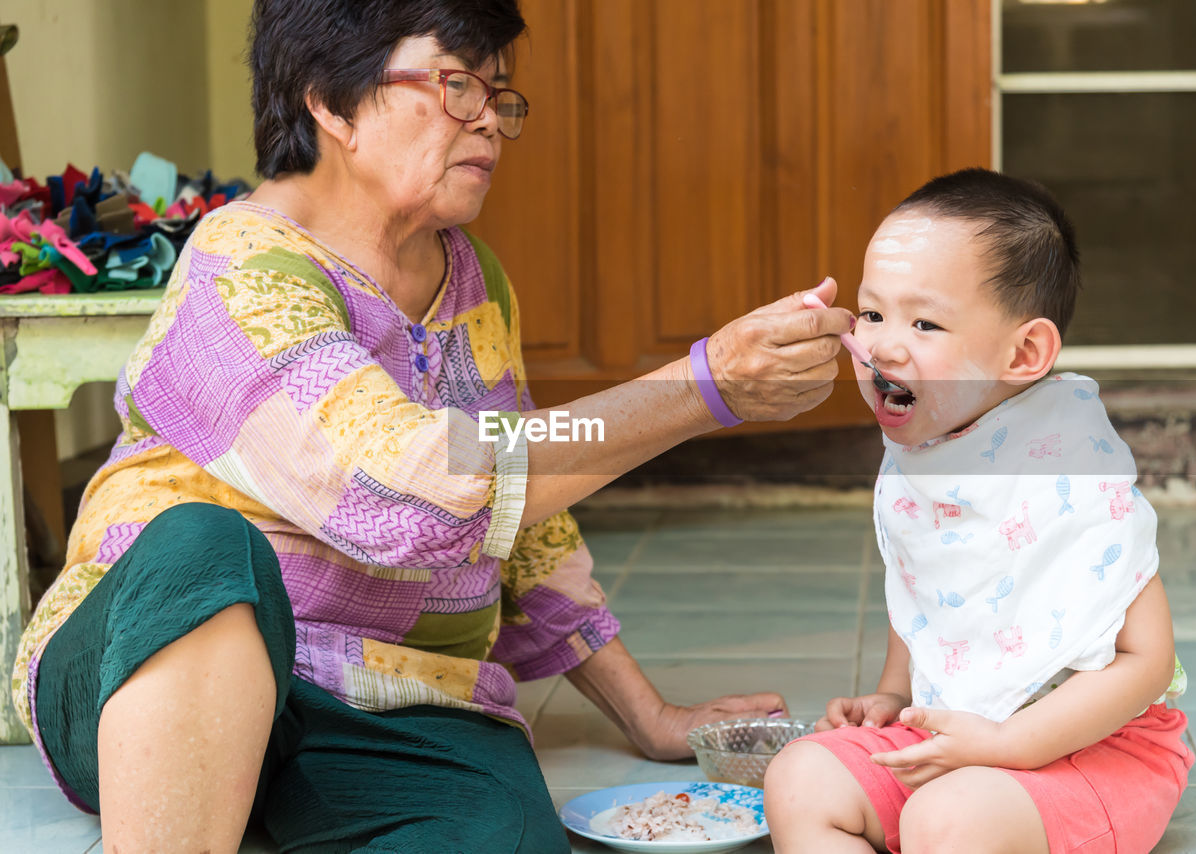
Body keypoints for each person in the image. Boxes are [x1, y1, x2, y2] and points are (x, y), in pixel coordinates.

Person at [9, 2, 856, 852]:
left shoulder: (471, 276)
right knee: (208, 548)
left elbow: (520, 510)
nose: (489, 118)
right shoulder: (242, 270)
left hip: (377, 692)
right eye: (455, 85)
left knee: (509, 834)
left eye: (496, 92)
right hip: (145, 667)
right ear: (329, 103)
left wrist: (651, 714)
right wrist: (703, 387)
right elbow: (405, 491)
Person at [763, 168, 1192, 854]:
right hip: (957, 731)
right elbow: (934, 584)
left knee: (947, 821)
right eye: (872, 313)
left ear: (1024, 352)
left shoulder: (1066, 471)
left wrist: (1009, 743)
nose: (882, 345)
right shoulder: (927, 452)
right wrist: (893, 696)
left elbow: (1144, 660)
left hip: (1094, 748)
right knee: (797, 779)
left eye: (924, 322)